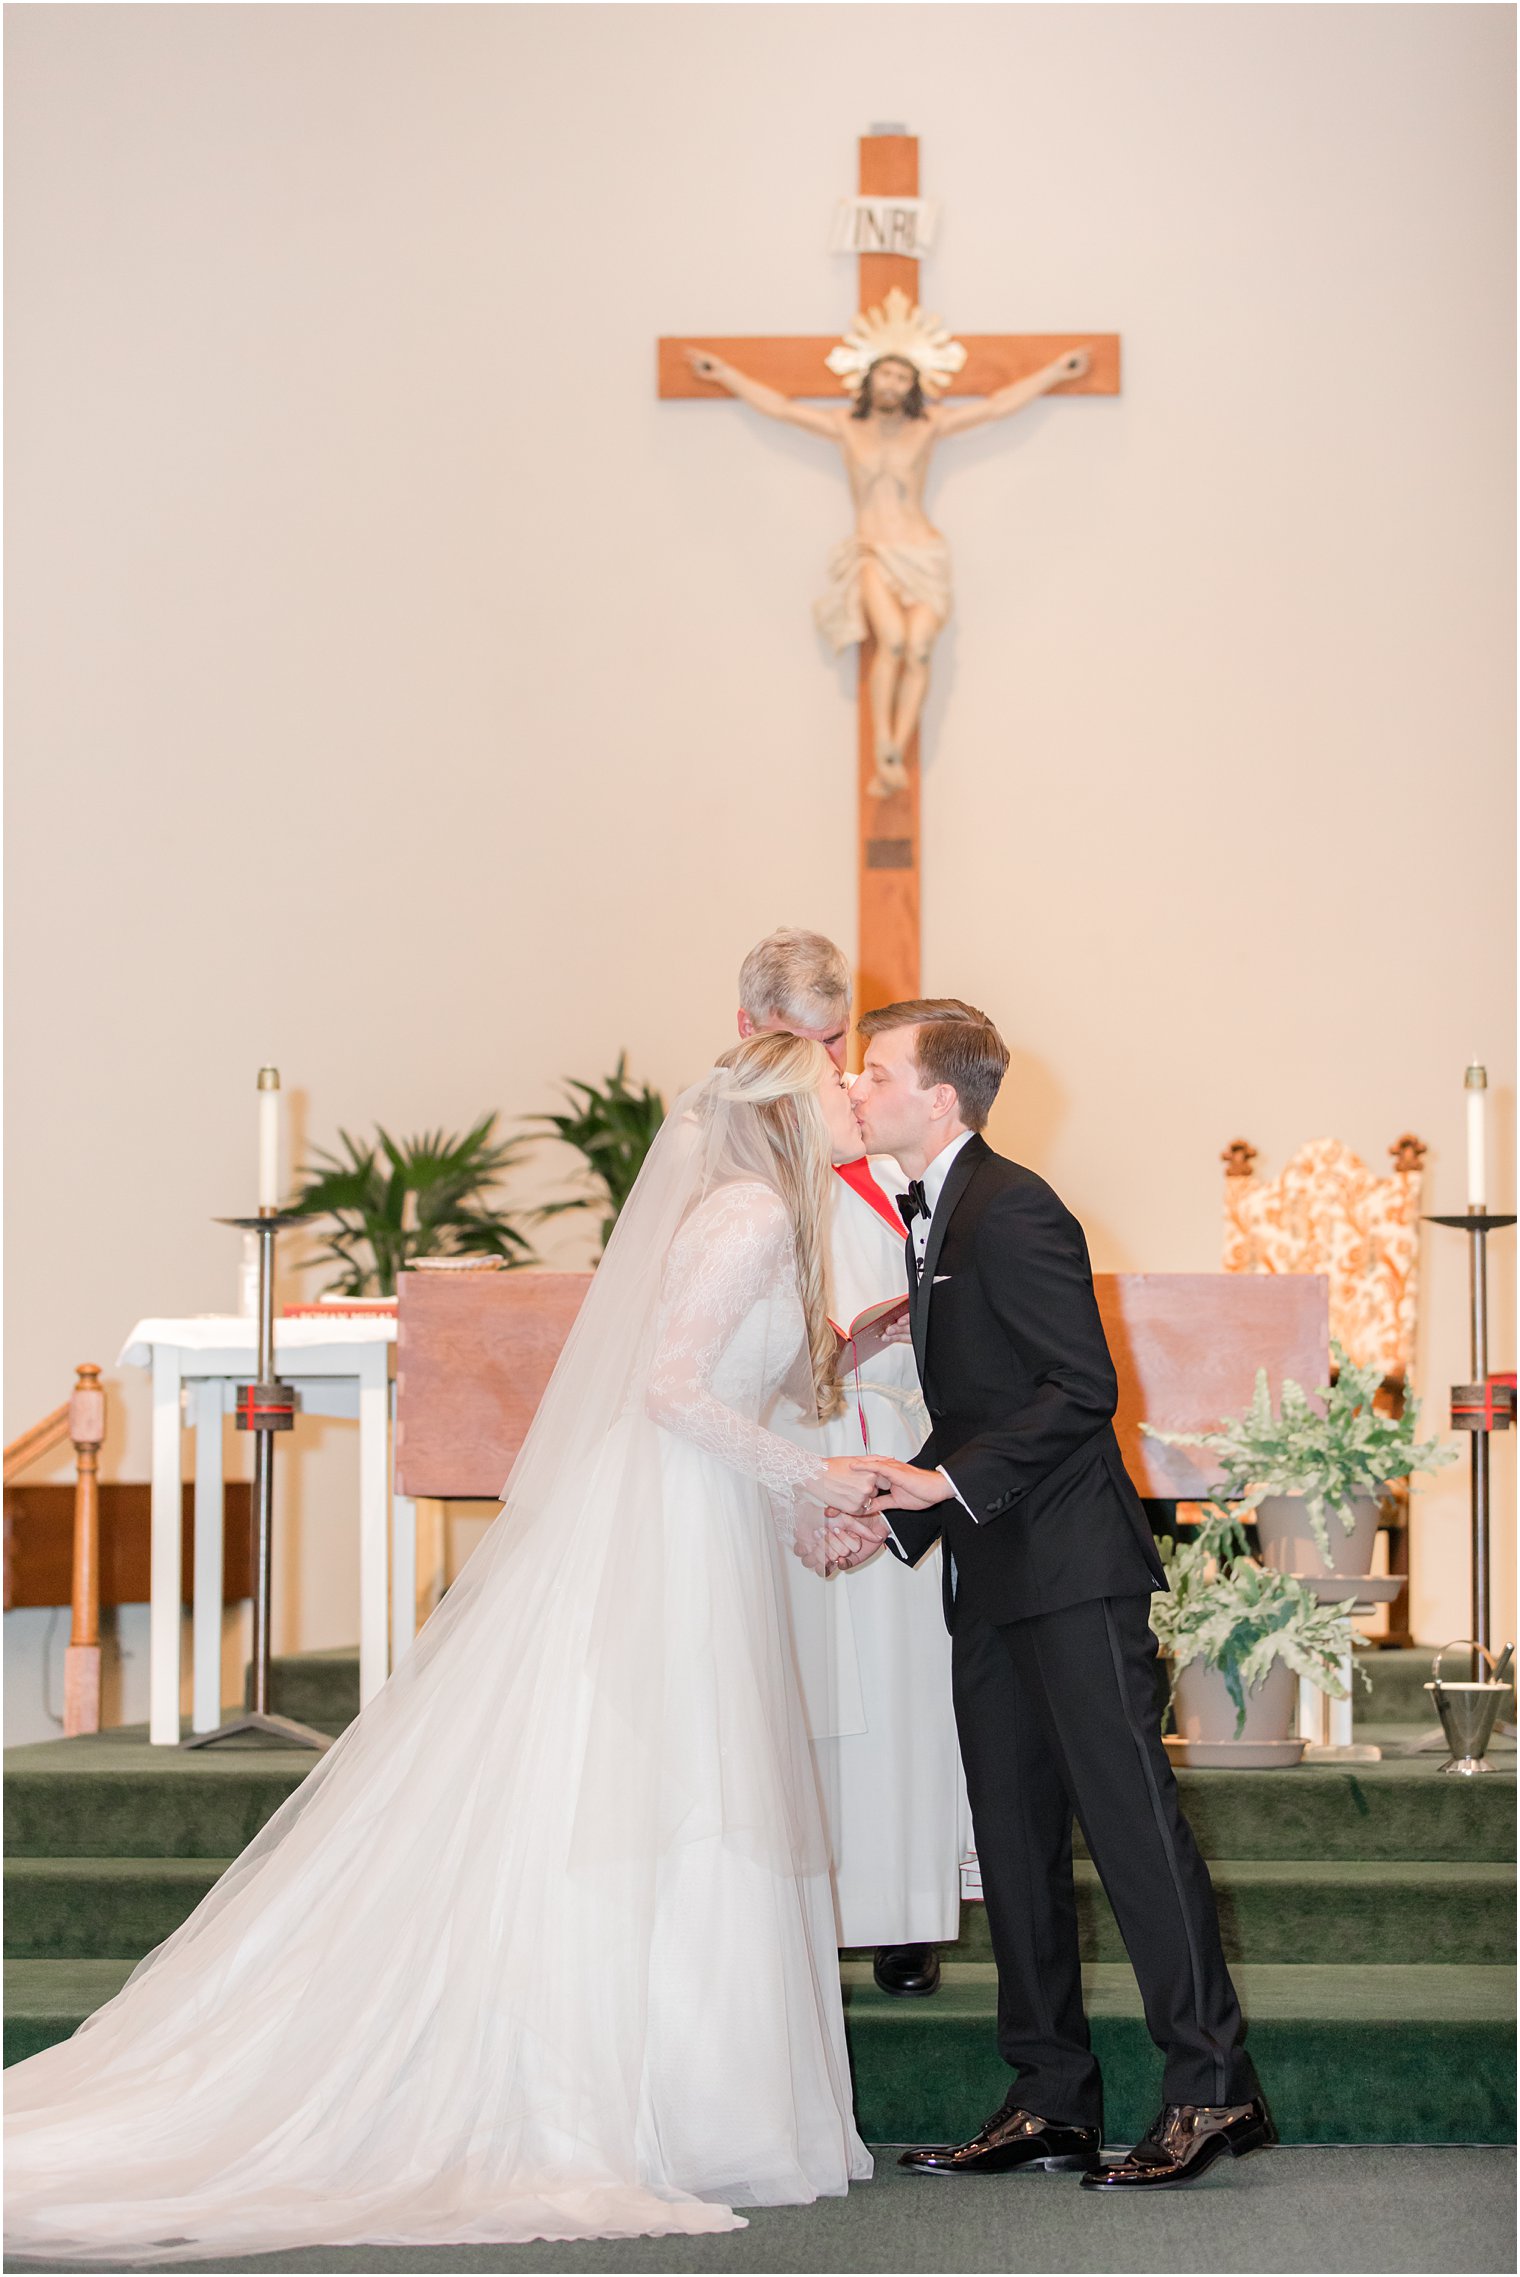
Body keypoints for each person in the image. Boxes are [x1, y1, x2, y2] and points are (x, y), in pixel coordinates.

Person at [5, 1035, 893, 2262]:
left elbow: (743, 1394)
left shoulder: (773, 1216)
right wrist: (815, 1473)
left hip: (702, 1524)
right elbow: (670, 1390)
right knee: (650, 1789)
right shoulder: (744, 1213)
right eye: (837, 1081)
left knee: (687, 1790)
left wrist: (830, 1433)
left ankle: (697, 2097)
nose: (855, 1095)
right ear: (792, 1110)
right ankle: (629, 2100)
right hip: (659, 1527)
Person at [822, 999, 1276, 2193]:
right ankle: (1048, 2099)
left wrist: (938, 1481)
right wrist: (906, 1494)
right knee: (1013, 1846)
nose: (855, 1090)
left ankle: (1208, 2092)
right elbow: (991, 1397)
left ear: (940, 1098)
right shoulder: (934, 1215)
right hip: (995, 1573)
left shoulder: (1011, 1204)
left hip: (1072, 1578)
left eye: (874, 1074)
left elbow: (1079, 1389)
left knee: (1131, 1833)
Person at [735, 928, 961, 1997]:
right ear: (746, 1031)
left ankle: (903, 1909)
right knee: (806, 1685)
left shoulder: (877, 1145)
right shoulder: (728, 1151)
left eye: (837, 1043)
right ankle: (800, 1908)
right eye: (800, 1042)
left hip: (891, 1438)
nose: (830, 1071)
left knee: (906, 1675)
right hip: (785, 1451)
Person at [686, 337, 1089, 795]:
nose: (893, 383)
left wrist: (1056, 372)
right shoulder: (845, 426)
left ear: (913, 385)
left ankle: (895, 750)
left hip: (923, 553)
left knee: (918, 649)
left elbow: (996, 408)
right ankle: (882, 740)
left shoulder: (929, 425)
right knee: (892, 641)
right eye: (886, 373)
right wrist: (723, 373)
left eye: (902, 376)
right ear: (869, 378)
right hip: (874, 550)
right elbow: (780, 408)